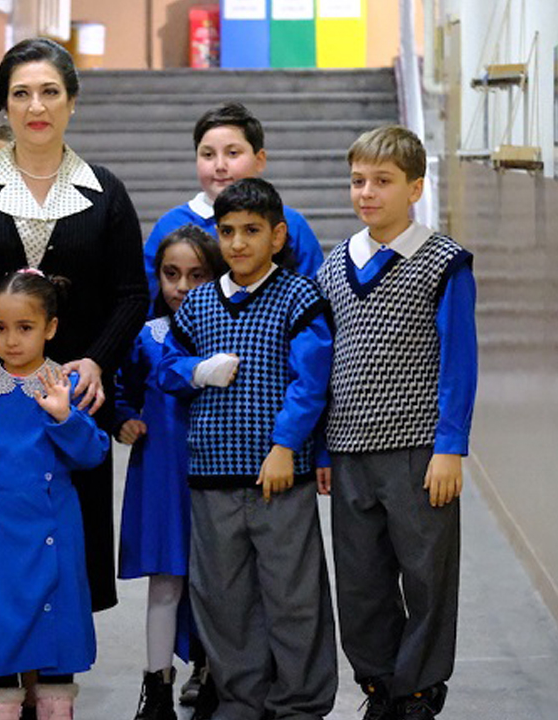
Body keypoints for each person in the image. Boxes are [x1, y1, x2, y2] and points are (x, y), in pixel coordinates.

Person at [0, 36, 148, 716]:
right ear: (4, 106)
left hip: (65, 407)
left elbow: (133, 293)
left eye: (49, 91)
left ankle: (49, 690)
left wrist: (97, 359)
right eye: (20, 93)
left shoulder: (104, 192)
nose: (36, 105)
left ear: (72, 101)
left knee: (61, 562)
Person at [160, 178, 337, 720]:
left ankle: (300, 702)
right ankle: (242, 697)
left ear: (277, 236)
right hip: (212, 476)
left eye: (252, 231)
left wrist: (285, 446)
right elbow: (167, 368)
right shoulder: (199, 305)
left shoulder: (299, 297)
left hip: (277, 477)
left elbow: (310, 382)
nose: (238, 243)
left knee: (292, 596)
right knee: (223, 597)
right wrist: (195, 370)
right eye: (228, 231)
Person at [317, 126, 477, 720]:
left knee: (427, 576)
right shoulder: (335, 265)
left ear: (414, 187)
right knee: (361, 581)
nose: (367, 193)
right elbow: (324, 361)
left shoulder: (443, 262)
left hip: (417, 451)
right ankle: (380, 685)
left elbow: (460, 359)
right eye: (358, 181)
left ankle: (419, 689)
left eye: (382, 182)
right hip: (349, 447)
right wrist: (321, 450)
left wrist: (451, 446)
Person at [0, 269, 109, 720]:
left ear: (50, 328)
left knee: (55, 650)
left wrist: (64, 416)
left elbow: (94, 453)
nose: (11, 340)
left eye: (25, 327)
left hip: (54, 533)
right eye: (0, 328)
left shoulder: (64, 386)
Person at [113, 225, 226, 720]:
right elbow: (123, 389)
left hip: (219, 469)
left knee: (221, 580)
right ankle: (157, 687)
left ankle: (220, 679)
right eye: (171, 274)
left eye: (197, 275)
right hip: (161, 472)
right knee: (166, 581)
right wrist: (122, 419)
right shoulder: (146, 334)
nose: (181, 286)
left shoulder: (227, 330)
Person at [142, 102, 324, 301]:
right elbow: (149, 302)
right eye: (208, 155)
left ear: (260, 160)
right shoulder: (169, 226)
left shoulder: (290, 224)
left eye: (233, 153)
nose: (220, 166)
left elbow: (314, 300)